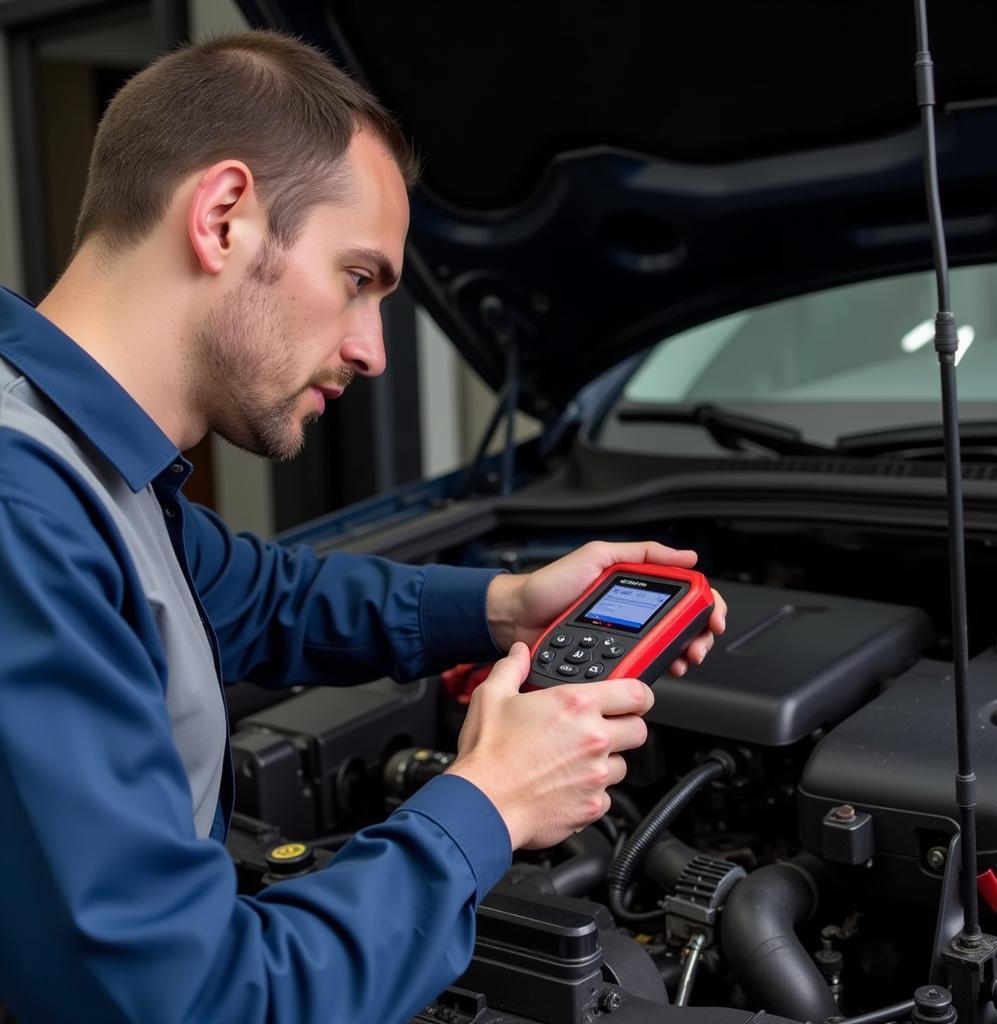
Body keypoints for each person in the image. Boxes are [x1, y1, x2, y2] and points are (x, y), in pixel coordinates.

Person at [0, 29, 726, 1024]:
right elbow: (191, 1004)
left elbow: (260, 596)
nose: (372, 350)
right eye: (358, 278)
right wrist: (491, 801)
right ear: (222, 219)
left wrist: (509, 606)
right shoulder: (22, 512)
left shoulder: (79, 461)